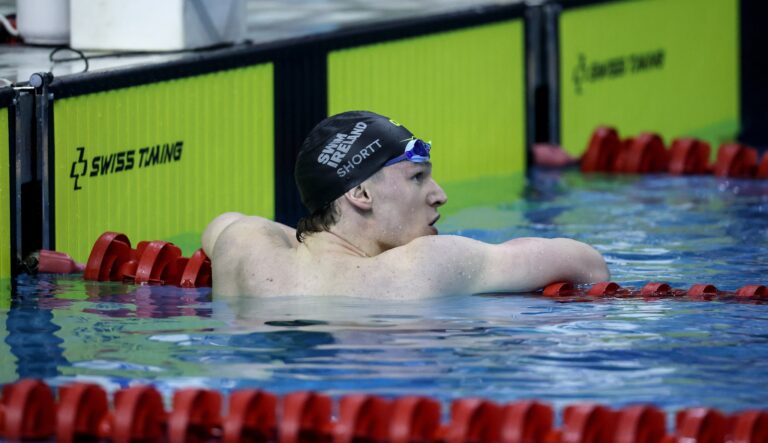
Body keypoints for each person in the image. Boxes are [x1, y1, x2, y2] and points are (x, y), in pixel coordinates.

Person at [203, 111, 608, 298]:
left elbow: (219, 226)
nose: (439, 194)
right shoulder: (420, 268)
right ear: (360, 194)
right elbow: (588, 263)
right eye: (418, 177)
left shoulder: (242, 244)